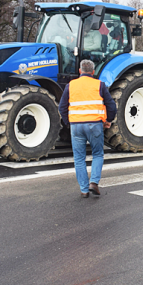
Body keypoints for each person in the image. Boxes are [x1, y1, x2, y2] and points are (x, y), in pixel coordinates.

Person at [58, 59, 117, 199]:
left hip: (76, 126)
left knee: (79, 158)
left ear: (80, 71)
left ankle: (84, 190)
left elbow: (62, 107)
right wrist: (108, 120)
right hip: (95, 125)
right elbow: (111, 106)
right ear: (93, 71)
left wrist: (69, 122)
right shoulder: (99, 85)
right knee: (97, 154)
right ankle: (94, 182)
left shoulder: (70, 85)